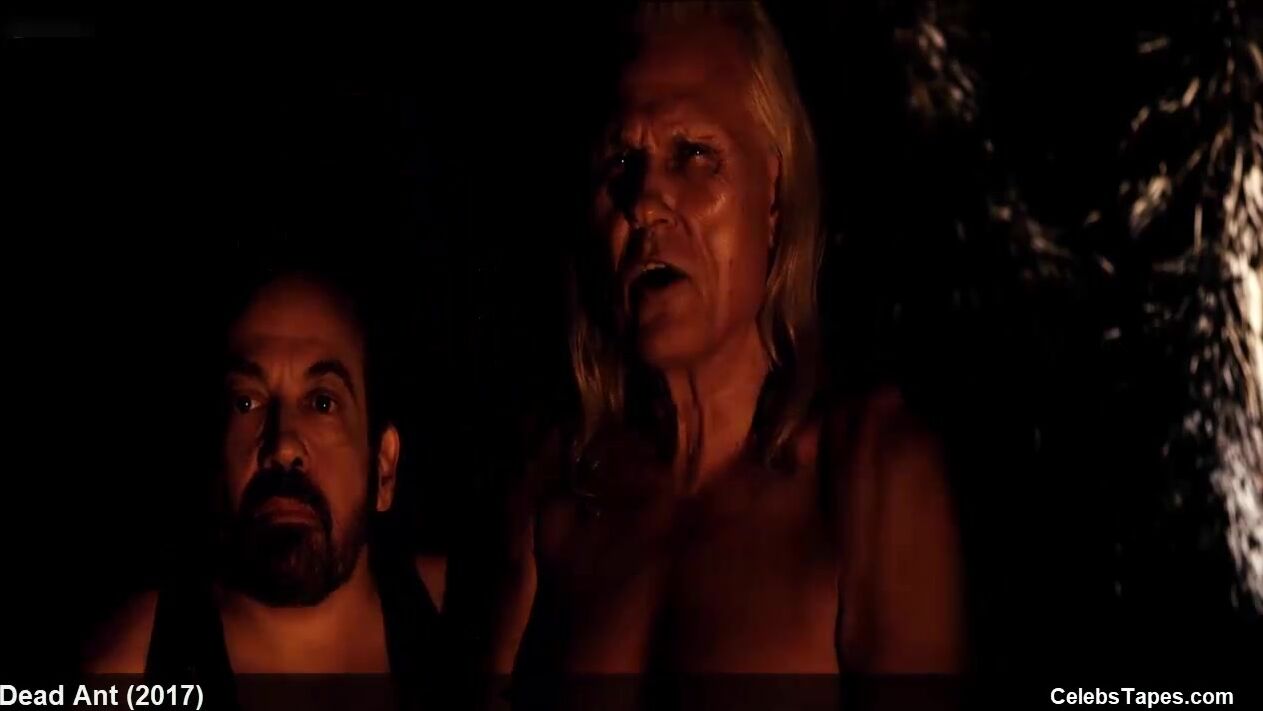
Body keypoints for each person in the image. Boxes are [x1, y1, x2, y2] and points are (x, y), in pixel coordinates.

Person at [468, 1, 964, 678]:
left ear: (775, 193)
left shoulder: (869, 479)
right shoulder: (551, 495)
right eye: (621, 161)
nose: (644, 202)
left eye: (693, 155)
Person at [84, 265, 443, 690]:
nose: (283, 446)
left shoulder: (476, 618)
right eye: (246, 403)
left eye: (322, 403)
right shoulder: (125, 675)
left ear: (383, 467)